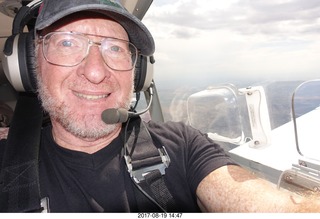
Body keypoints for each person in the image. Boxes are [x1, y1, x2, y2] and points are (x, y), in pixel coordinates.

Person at [0, 0, 320, 213]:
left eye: (115, 48)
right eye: (67, 42)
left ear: (138, 72)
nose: (96, 71)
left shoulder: (182, 147)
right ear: (30, 65)